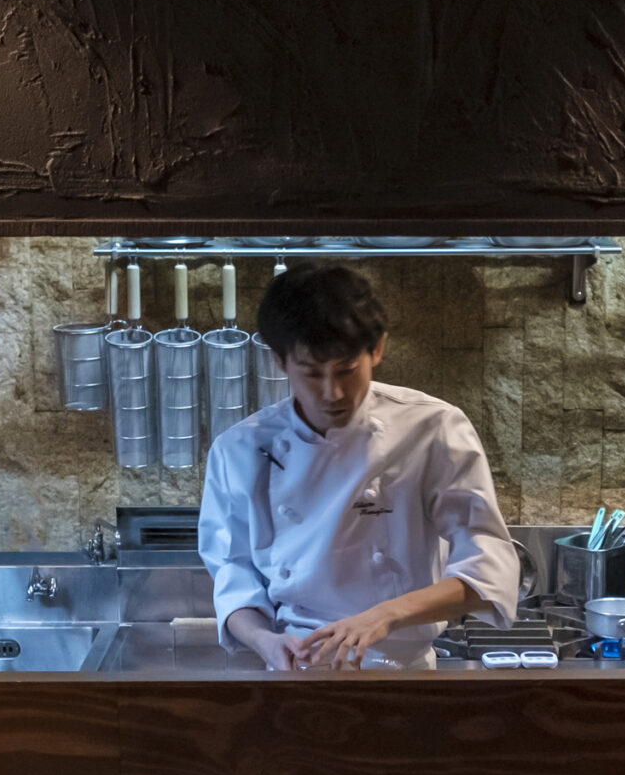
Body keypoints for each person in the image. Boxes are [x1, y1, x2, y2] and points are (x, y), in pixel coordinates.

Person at [199, 264, 518, 670]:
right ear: (280, 361)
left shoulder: (432, 428)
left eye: (347, 370)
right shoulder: (239, 449)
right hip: (298, 670)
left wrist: (383, 615)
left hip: (404, 676)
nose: (332, 393)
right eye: (312, 374)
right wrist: (265, 642)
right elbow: (234, 576)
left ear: (378, 349)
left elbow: (489, 568)